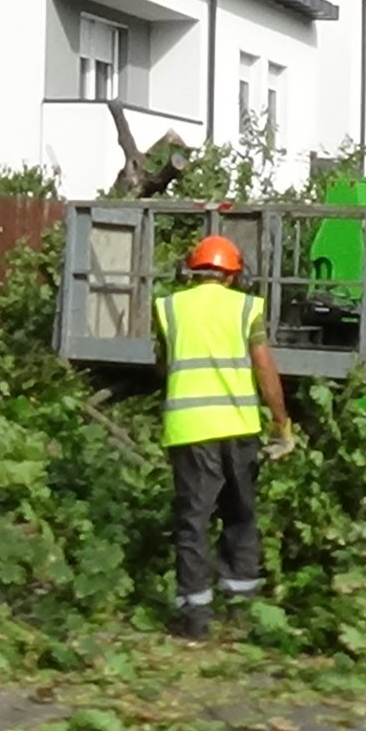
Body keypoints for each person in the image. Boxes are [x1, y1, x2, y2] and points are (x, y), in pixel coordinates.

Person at [152, 234, 294, 641]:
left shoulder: (169, 308)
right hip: (239, 428)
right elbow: (265, 369)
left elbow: (162, 369)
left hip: (190, 431)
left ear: (192, 271)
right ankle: (241, 609)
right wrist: (281, 424)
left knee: (193, 523)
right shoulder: (247, 308)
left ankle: (196, 618)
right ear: (232, 276)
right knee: (241, 515)